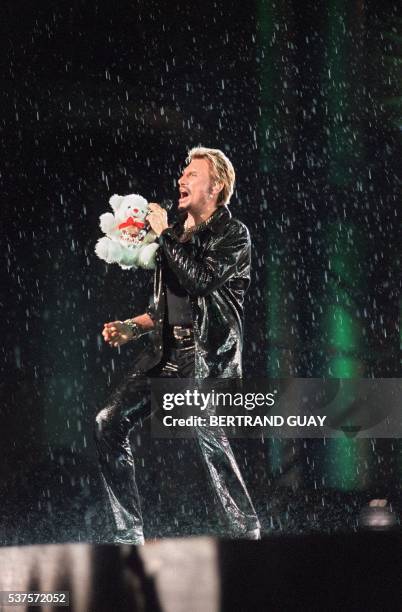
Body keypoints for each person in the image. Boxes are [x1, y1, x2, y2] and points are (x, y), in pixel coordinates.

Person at [95, 147, 260, 544]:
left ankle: (247, 530)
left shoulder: (232, 235)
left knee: (209, 438)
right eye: (182, 174)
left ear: (216, 186)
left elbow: (200, 280)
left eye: (192, 175)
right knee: (108, 422)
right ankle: (128, 533)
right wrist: (132, 327)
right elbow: (166, 306)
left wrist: (166, 232)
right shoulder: (176, 235)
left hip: (206, 355)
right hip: (165, 352)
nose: (181, 181)